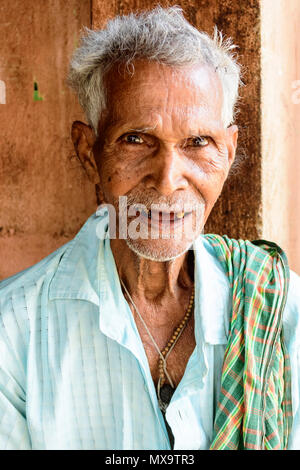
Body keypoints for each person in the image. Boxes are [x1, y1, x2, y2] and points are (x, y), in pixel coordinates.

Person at [0, 6, 299, 450]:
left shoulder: (279, 309)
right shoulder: (14, 331)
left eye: (199, 143)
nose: (168, 178)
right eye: (136, 139)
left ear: (229, 152)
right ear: (89, 152)